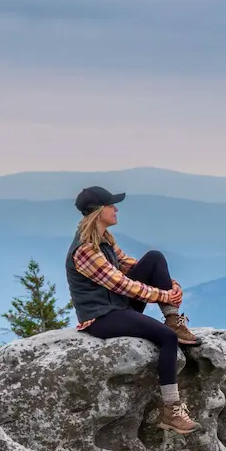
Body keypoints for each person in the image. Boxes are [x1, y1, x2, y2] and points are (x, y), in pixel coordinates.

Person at [66, 186, 201, 434]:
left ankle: (173, 319)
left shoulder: (104, 240)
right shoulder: (85, 250)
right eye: (111, 205)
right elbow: (120, 284)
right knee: (167, 338)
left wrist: (173, 286)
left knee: (155, 257)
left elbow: (131, 266)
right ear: (98, 211)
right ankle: (171, 409)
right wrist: (164, 294)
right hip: (101, 318)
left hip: (117, 306)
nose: (116, 209)